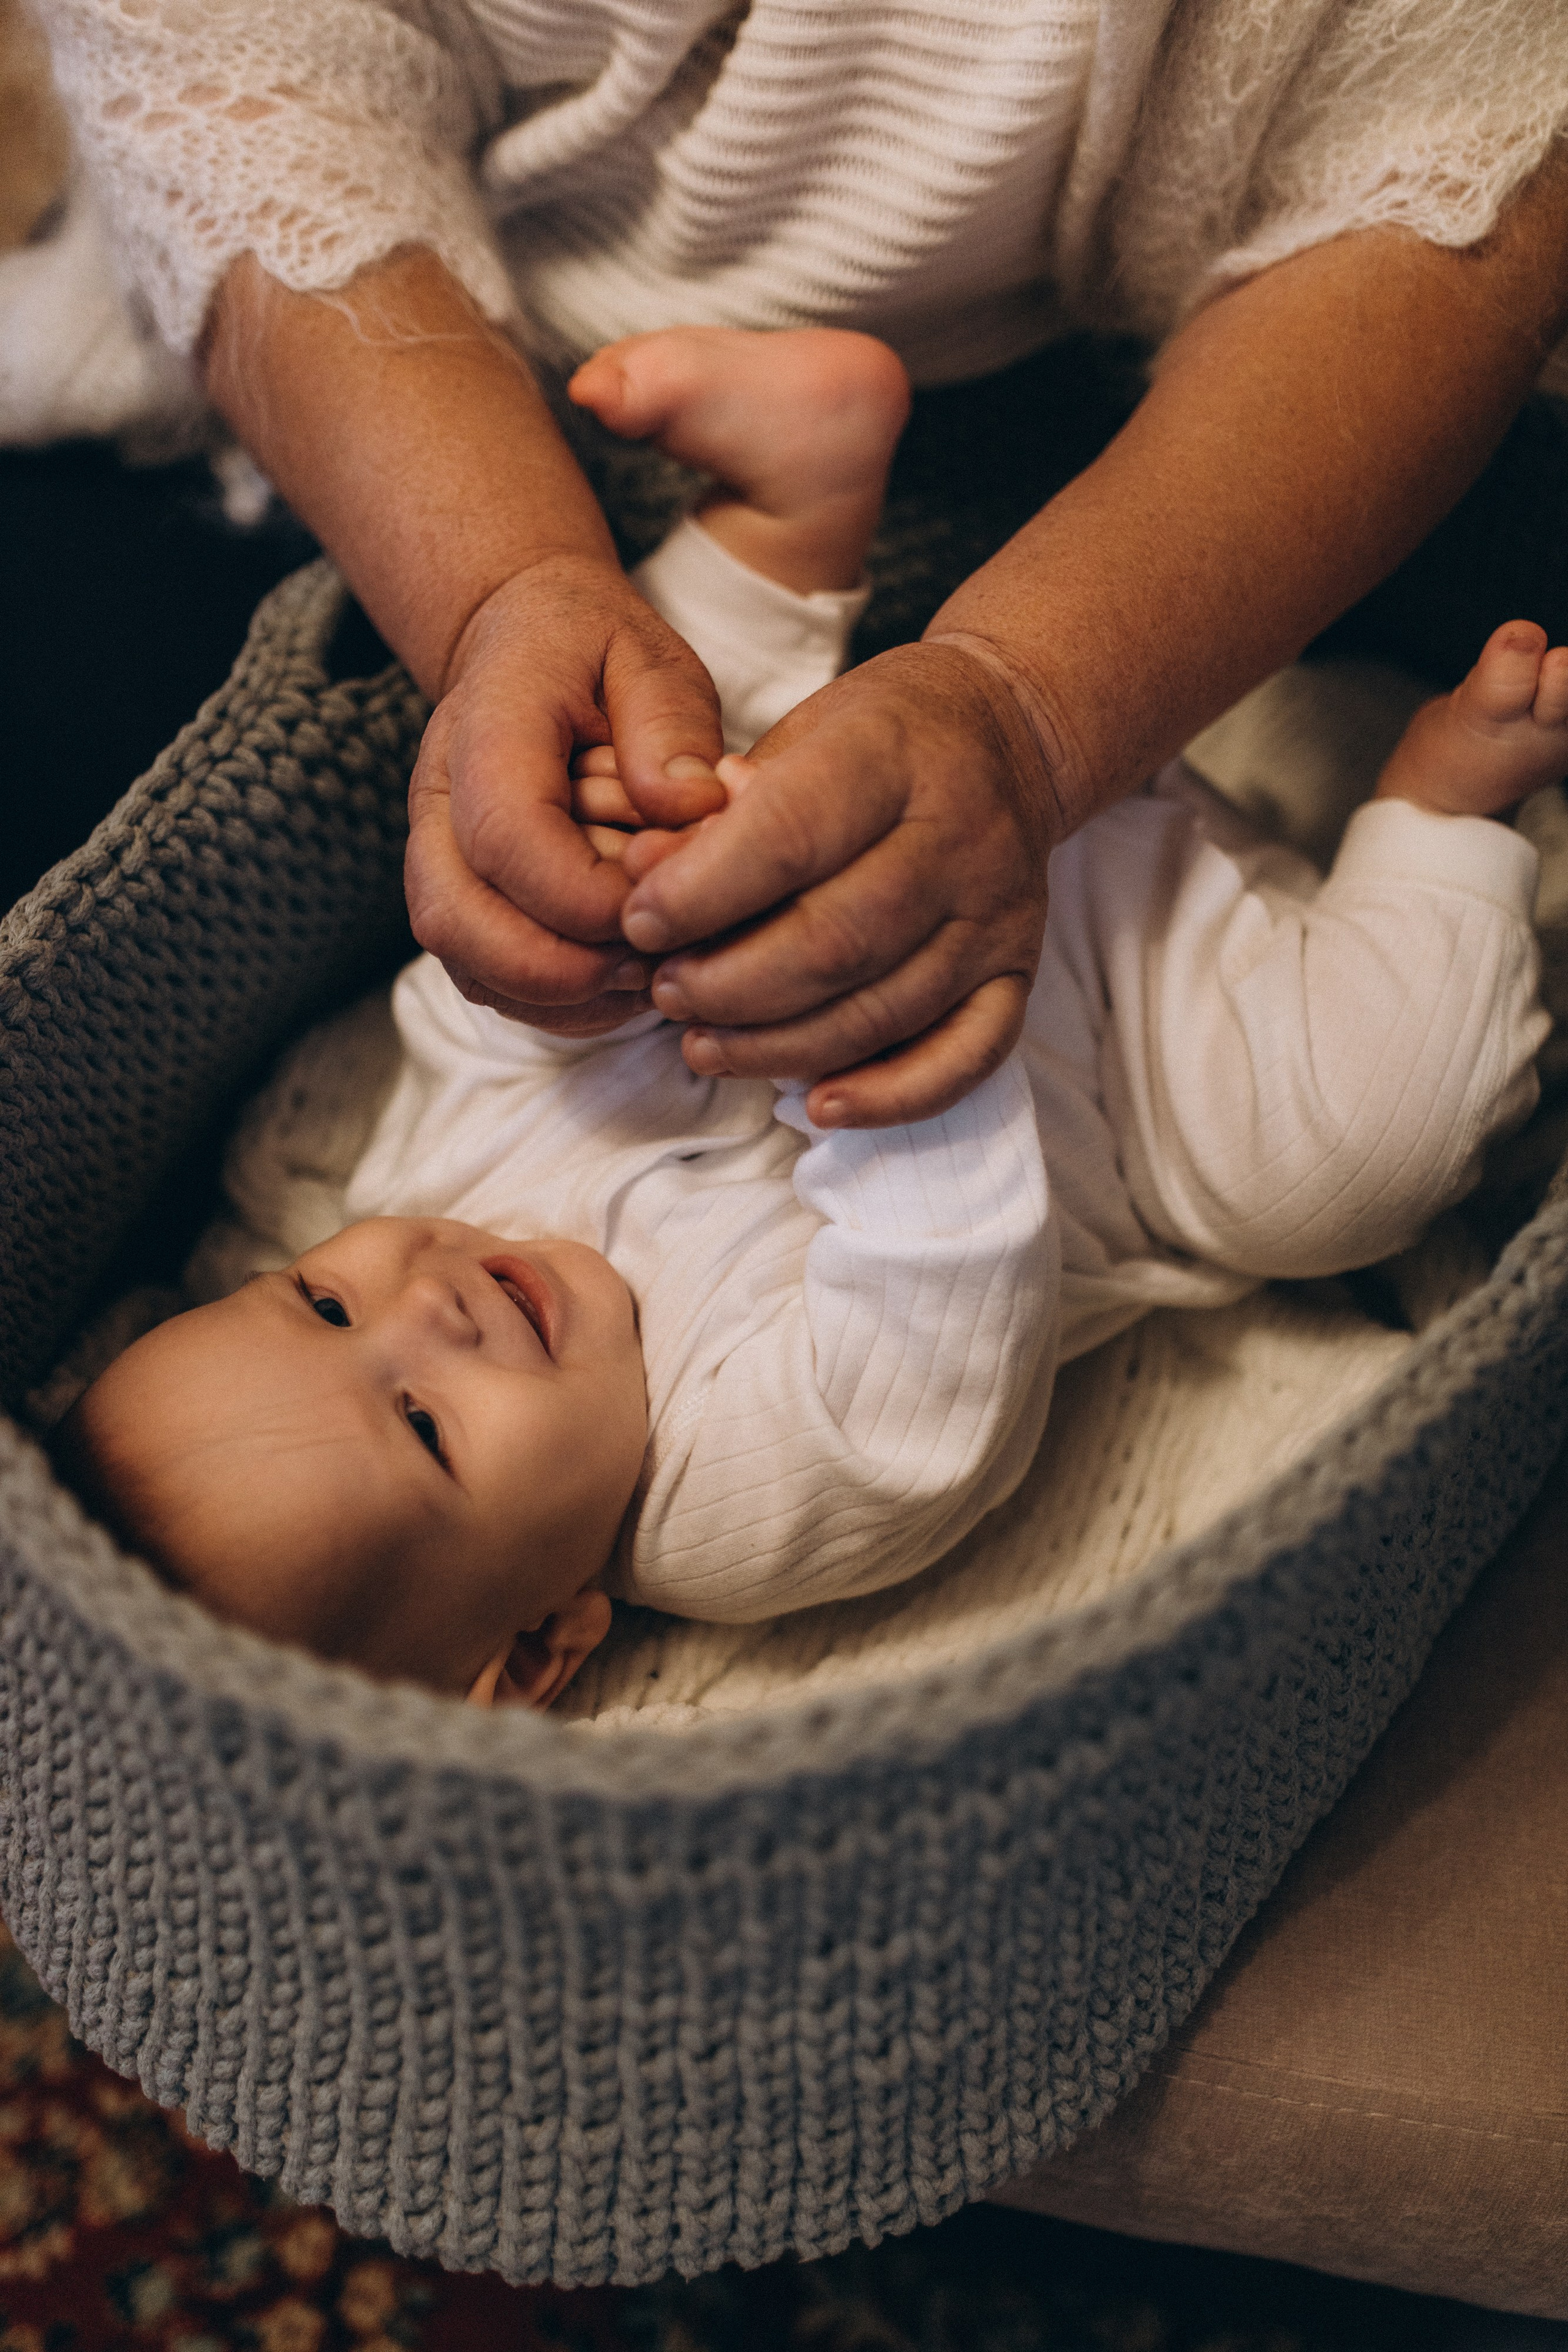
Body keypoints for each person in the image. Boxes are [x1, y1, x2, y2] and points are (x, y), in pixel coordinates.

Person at [58, 325, 1558, 1711]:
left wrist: (598, 889)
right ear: (538, 1646)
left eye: (319, 1303)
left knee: (632, 758)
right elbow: (942, 1303)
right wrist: (851, 1009)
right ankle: (1438, 823)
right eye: (425, 1430)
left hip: (918, 770)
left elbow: (484, 1026)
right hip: (1160, 1054)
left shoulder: (413, 1183)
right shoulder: (727, 1508)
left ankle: (786, 510)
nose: (420, 1311)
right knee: (1352, 1163)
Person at [24, 1, 1568, 1116]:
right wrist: (499, 586)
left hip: (1104, 388)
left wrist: (1030, 706)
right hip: (385, 361)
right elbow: (230, 81)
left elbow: (1451, 173)